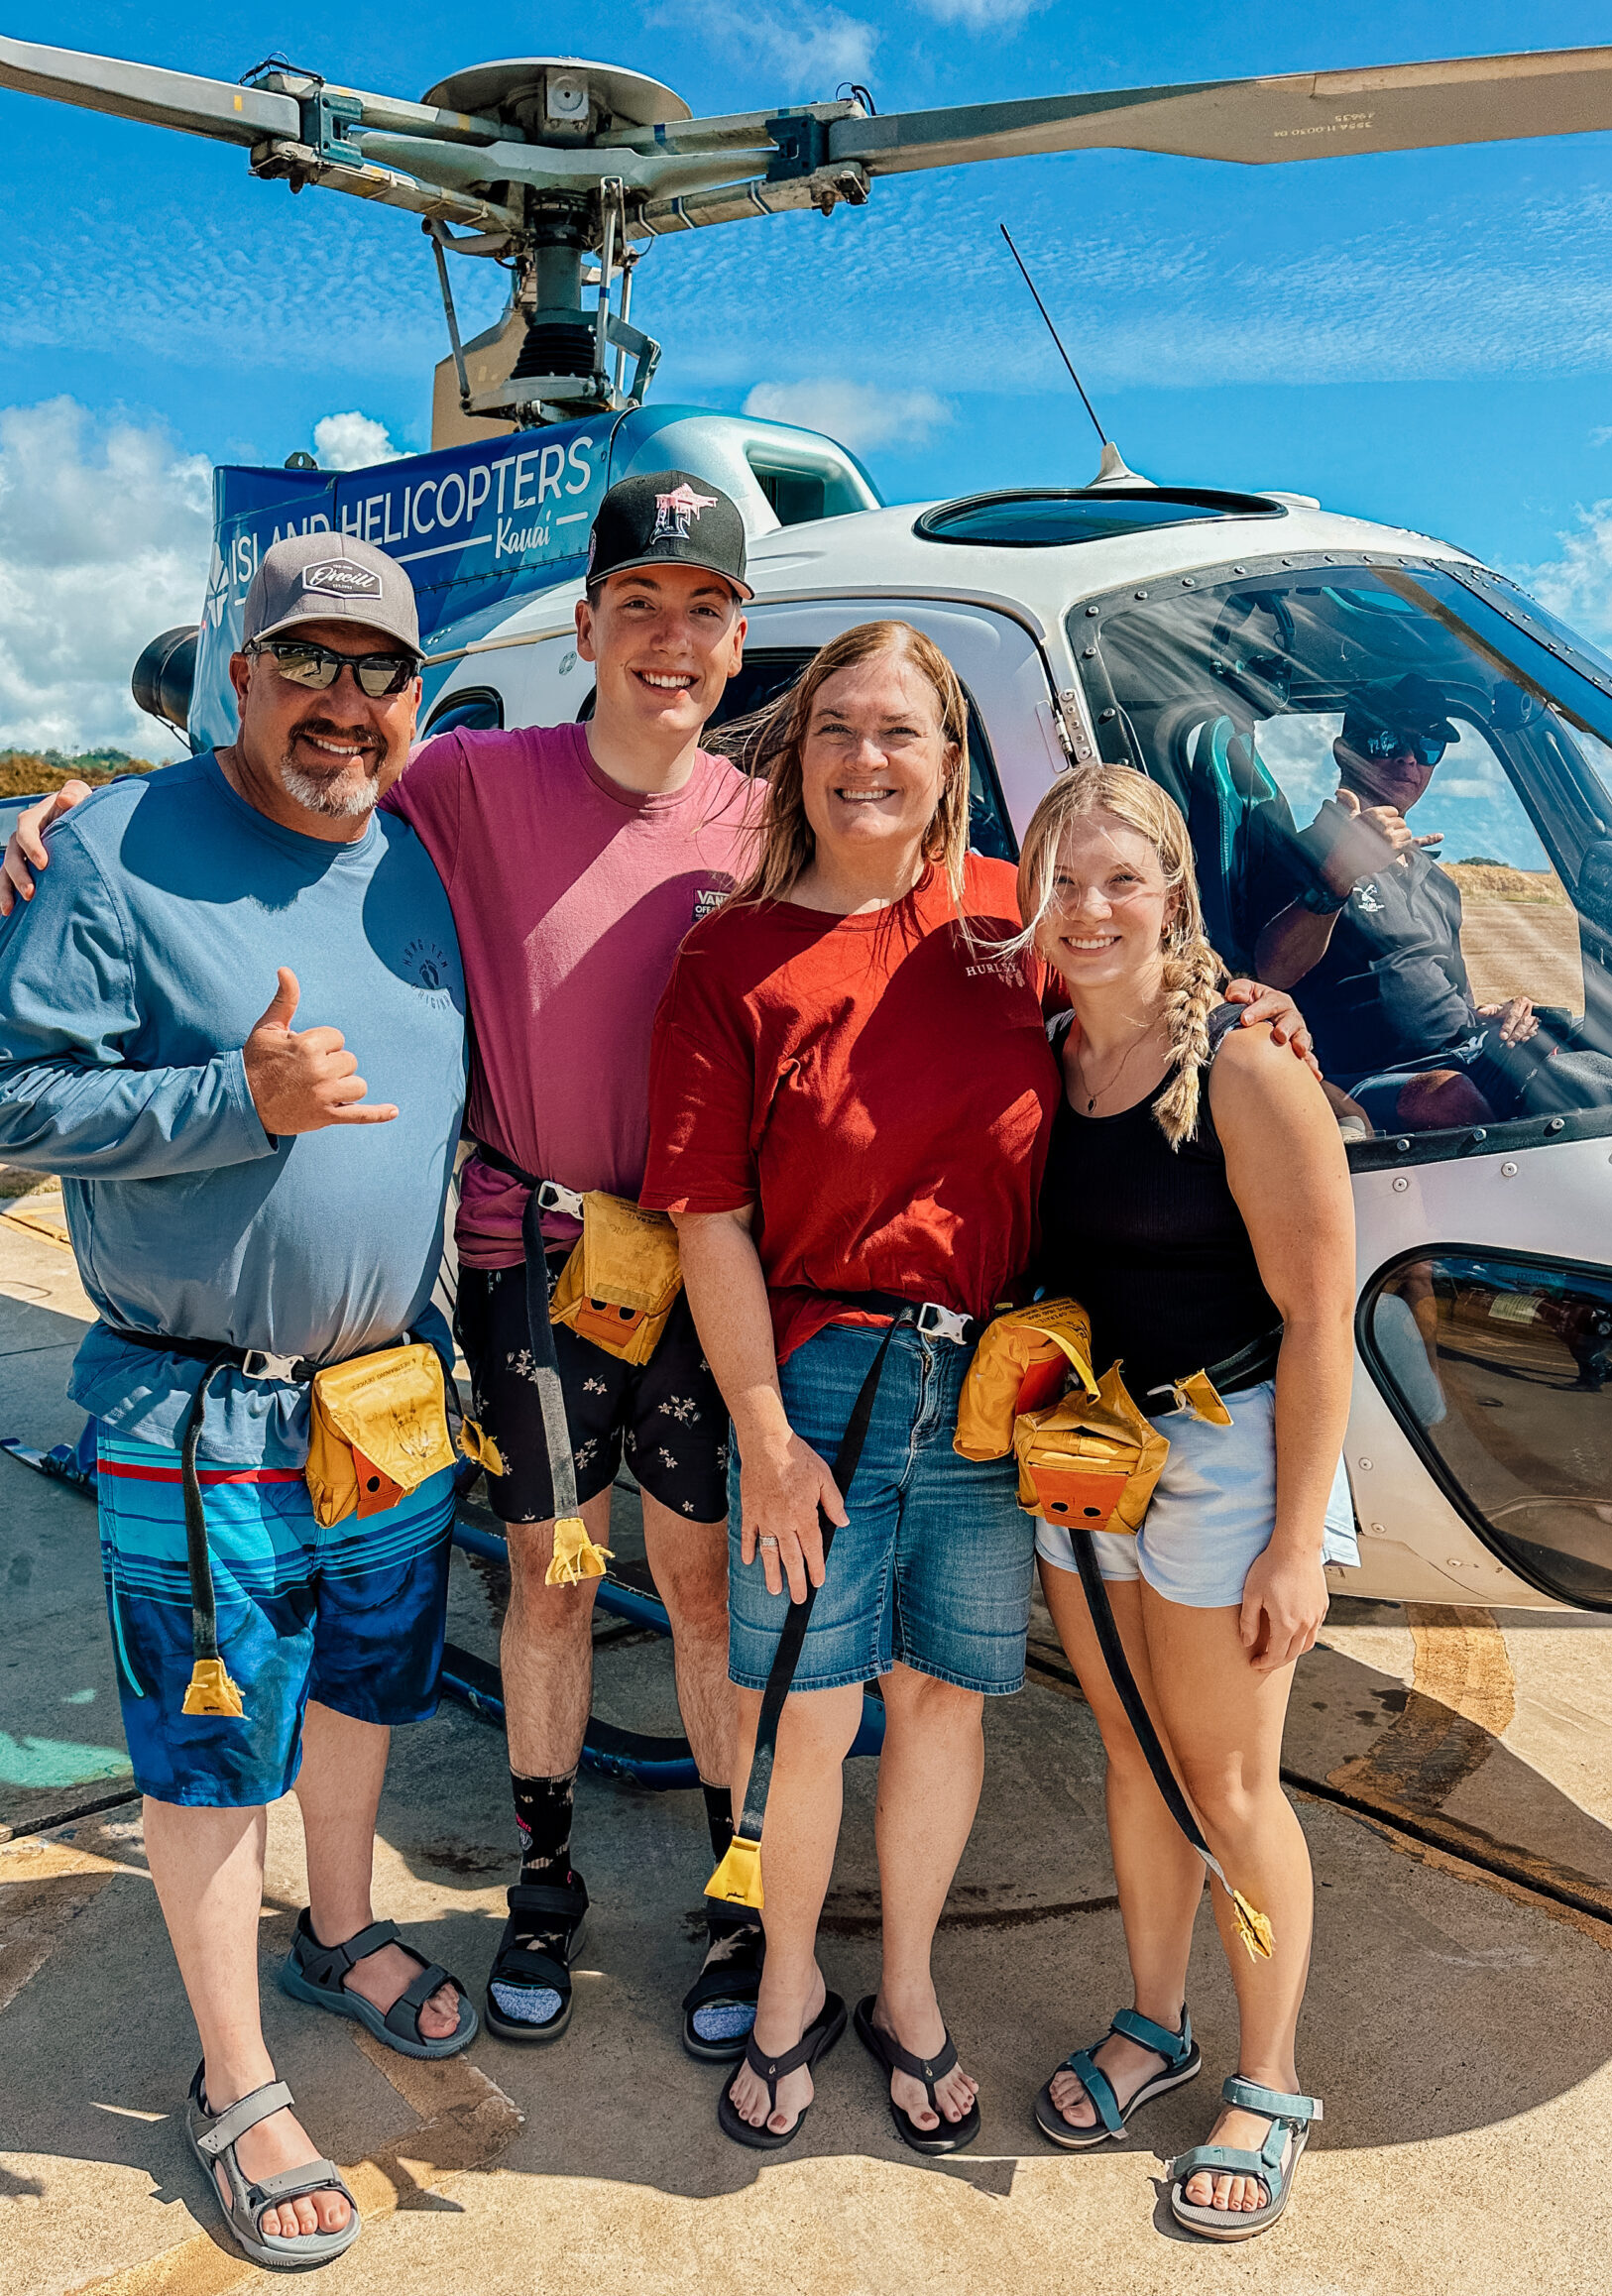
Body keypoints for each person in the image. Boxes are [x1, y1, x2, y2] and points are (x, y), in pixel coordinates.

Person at [0, 473, 763, 2057]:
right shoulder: (460, 788)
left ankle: (702, 1892)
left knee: (637, 1606)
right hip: (460, 1297)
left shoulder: (737, 821)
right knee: (540, 1587)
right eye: (638, 607)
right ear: (588, 626)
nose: (348, 704)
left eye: (380, 672)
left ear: (740, 643)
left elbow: (920, 889)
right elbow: (238, 830)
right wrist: (76, 820)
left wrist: (1198, 990)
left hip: (585, 1307)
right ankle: (482, 1920)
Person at [641, 626, 1317, 2156]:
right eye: (839, 727)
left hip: (991, 1392)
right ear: (794, 751)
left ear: (954, 766)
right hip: (811, 1384)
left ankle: (916, 1994)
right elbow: (706, 1214)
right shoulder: (726, 956)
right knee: (804, 1713)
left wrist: (1266, 1018)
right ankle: (792, 1989)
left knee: (942, 1701)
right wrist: (759, 1429)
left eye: (905, 733)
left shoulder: (1013, 923)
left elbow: (1147, 983)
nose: (868, 759)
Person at [0, 534, 474, 2272]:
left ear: (413, 695)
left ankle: (337, 1927)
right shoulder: (108, 847)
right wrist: (231, 1098)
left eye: (377, 669)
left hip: (389, 1396)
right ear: (234, 676)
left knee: (363, 1691)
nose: (343, 701)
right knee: (207, 1747)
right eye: (304, 663)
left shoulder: (418, 864)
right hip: (205, 1416)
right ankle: (237, 2078)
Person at [1021, 764, 1356, 2242]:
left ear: (1173, 897)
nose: (1088, 911)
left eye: (1119, 882)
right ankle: (1154, 2028)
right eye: (1062, 883)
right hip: (1087, 1456)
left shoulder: (1243, 1066)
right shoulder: (1045, 1051)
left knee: (1228, 1784)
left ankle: (1271, 2077)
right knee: (1130, 1755)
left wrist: (1297, 1538)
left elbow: (1319, 1314)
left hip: (1226, 1456)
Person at [1252, 675, 1549, 1129]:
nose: (1409, 758)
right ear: (1342, 750)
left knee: (1563, 1064)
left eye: (1428, 746)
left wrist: (1493, 1015)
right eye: (1386, 739)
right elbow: (1270, 972)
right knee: (1449, 1099)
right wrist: (1337, 878)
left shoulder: (1438, 882)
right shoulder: (1299, 851)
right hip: (1358, 1078)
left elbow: (1460, 999)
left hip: (1459, 1053)